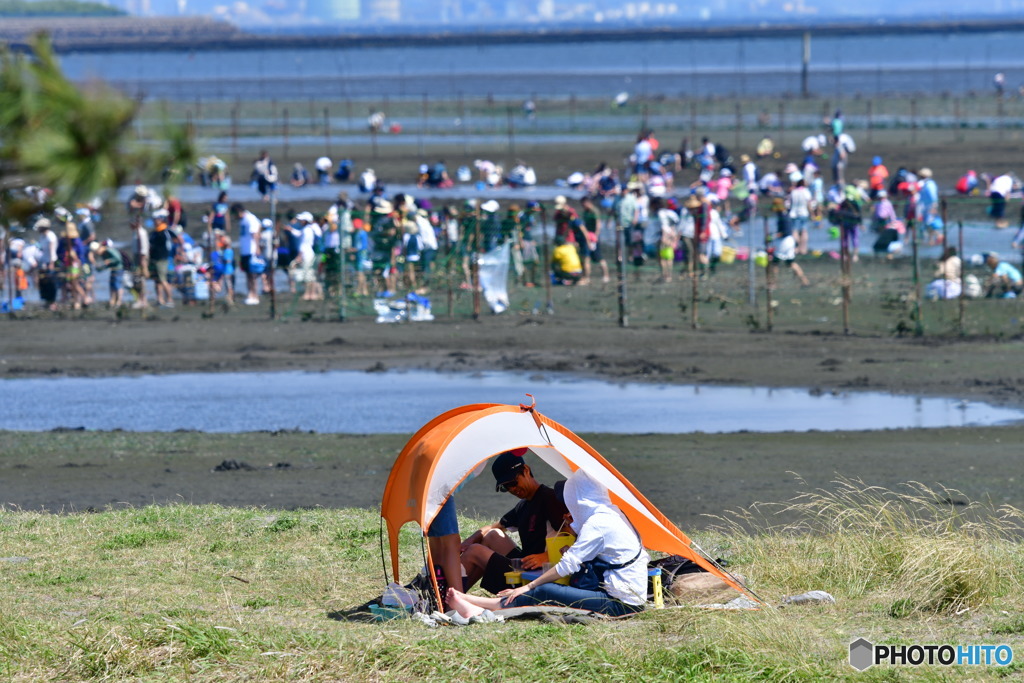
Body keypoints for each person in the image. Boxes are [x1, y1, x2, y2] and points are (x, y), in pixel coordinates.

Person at [447, 469, 649, 618]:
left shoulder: (596, 523)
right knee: (544, 587)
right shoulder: (611, 514)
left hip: (620, 604)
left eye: (571, 498)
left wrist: (528, 587)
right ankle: (479, 604)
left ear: (579, 498)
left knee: (544, 591)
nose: (512, 489)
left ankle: (479, 605)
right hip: (619, 593)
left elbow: (567, 563)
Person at [458, 450, 569, 594]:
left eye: (513, 482)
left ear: (526, 470)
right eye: (505, 487)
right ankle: (454, 594)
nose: (512, 489)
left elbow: (572, 538)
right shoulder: (524, 505)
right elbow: (493, 526)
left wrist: (546, 557)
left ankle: (447, 598)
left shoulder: (550, 498)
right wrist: (468, 541)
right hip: (527, 564)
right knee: (493, 535)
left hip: (541, 575)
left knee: (475, 551)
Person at [232, 203, 262, 305]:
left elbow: (255, 233)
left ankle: (255, 295)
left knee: (252, 274)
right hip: (244, 250)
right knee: (247, 273)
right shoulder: (242, 221)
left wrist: (257, 247)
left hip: (251, 250)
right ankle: (250, 293)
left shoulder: (250, 218)